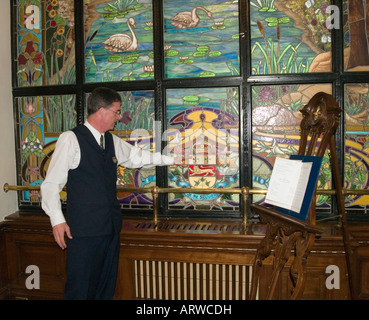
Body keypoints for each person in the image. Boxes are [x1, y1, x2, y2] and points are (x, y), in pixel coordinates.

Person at [41, 87, 182, 300]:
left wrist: (173, 160)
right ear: (101, 111)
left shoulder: (111, 141)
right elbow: (51, 184)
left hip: (110, 229)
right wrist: (57, 220)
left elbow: (137, 157)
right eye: (116, 112)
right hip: (84, 232)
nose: (118, 117)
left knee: (105, 289)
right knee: (80, 290)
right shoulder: (70, 139)